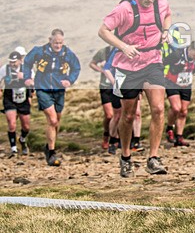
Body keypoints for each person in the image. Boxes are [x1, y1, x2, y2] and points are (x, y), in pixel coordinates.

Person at [98, 0, 172, 177]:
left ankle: (153, 158)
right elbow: (103, 31)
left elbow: (167, 16)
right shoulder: (124, 9)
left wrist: (165, 31)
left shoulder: (161, 4)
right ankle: (125, 156)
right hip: (127, 67)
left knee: (158, 108)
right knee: (128, 115)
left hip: (153, 62)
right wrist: (122, 46)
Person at [22, 29, 81, 166]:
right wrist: (27, 78)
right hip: (42, 88)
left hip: (59, 90)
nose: (58, 45)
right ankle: (51, 153)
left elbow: (76, 68)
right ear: (50, 40)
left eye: (60, 43)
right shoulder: (39, 51)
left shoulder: (67, 53)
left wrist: (70, 80)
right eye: (55, 43)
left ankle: (48, 146)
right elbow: (27, 63)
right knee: (52, 120)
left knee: (57, 122)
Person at [163, 41, 195, 147]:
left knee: (183, 111)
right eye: (193, 56)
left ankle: (179, 137)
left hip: (186, 85)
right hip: (172, 83)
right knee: (176, 108)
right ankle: (169, 128)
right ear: (189, 50)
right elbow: (162, 63)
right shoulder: (177, 55)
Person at [1, 50, 32, 156]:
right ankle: (13, 148)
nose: (12, 64)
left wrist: (25, 78)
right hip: (9, 98)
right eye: (10, 62)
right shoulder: (5, 69)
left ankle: (22, 139)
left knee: (26, 126)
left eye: (14, 62)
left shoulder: (27, 69)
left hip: (23, 99)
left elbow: (35, 81)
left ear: (20, 60)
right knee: (12, 123)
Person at [89, 45, 118, 150]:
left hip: (117, 86)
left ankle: (115, 138)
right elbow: (92, 64)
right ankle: (106, 136)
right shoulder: (103, 51)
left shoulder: (122, 50)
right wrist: (101, 70)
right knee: (109, 115)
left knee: (118, 115)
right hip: (105, 87)